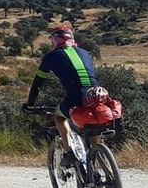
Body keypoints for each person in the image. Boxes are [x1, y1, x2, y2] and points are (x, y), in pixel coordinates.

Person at [23, 23, 98, 164]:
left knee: (59, 116)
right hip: (97, 94)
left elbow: (37, 83)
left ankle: (69, 152)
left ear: (54, 41)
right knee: (93, 132)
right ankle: (102, 161)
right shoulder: (85, 53)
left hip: (76, 96)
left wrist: (30, 104)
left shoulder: (51, 57)